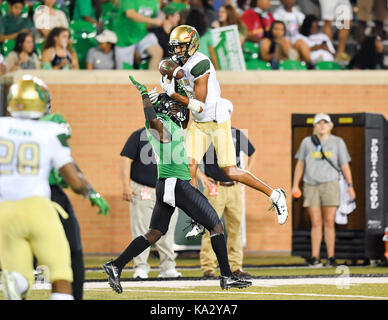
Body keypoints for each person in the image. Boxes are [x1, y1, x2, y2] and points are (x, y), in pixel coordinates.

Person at [103, 75, 252, 292]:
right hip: (175, 182)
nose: (178, 109)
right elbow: (155, 122)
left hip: (168, 182)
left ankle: (115, 265)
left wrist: (174, 92)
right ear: (165, 109)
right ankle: (227, 275)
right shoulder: (160, 123)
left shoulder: (172, 122)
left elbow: (188, 112)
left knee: (154, 233)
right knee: (216, 226)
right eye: (173, 106)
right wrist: (146, 97)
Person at [161, 25, 288, 230]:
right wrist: (169, 73)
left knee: (229, 170)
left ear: (192, 45)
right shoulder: (180, 60)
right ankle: (199, 217)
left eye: (181, 47)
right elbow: (164, 65)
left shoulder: (200, 64)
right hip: (201, 122)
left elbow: (199, 104)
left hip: (216, 119)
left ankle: (275, 194)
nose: (177, 51)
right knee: (189, 168)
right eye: (175, 47)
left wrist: (173, 94)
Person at [0, 75, 90, 300]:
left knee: (18, 273)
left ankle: (18, 283)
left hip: (5, 210)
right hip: (38, 207)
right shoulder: (49, 130)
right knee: (61, 271)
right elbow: (73, 180)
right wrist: (88, 190)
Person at [39, 112, 110, 300]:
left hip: (13, 198)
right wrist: (90, 192)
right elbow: (67, 166)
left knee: (19, 254)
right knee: (72, 251)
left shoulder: (6, 127)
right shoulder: (53, 124)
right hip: (49, 194)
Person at [195, 99, 256, 279]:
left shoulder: (237, 133)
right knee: (211, 227)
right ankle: (208, 267)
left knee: (235, 227)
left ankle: (236, 266)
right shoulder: (206, 132)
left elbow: (253, 153)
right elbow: (190, 157)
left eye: (227, 111)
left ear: (230, 113)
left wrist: (245, 173)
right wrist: (201, 176)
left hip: (235, 187)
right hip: (215, 187)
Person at [292, 113, 356, 267]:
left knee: (329, 221)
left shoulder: (337, 142)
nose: (322, 126)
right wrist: (295, 185)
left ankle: (331, 257)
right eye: (319, 123)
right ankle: (315, 257)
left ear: (330, 125)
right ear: (315, 126)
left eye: (325, 123)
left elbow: (345, 165)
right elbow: (300, 165)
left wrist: (350, 186)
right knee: (315, 222)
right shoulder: (307, 142)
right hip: (311, 184)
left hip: (331, 184)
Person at [120, 127, 181, 279]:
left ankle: (167, 267)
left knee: (168, 229)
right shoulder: (138, 135)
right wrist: (126, 185)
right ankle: (141, 267)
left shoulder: (174, 135)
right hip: (143, 189)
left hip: (167, 189)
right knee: (141, 229)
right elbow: (126, 159)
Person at [112, 0, 163, 70]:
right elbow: (130, 14)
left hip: (141, 35)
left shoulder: (155, 2)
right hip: (124, 39)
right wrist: (153, 21)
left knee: (157, 52)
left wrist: (159, 21)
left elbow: (151, 22)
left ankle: (151, 80)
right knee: (124, 72)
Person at [272, 0, 312, 65]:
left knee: (300, 42)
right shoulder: (277, 14)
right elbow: (276, 34)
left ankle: (311, 64)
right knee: (284, 41)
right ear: (282, 1)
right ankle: (292, 59)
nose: (289, 1)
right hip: (283, 44)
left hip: (295, 44)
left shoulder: (298, 13)